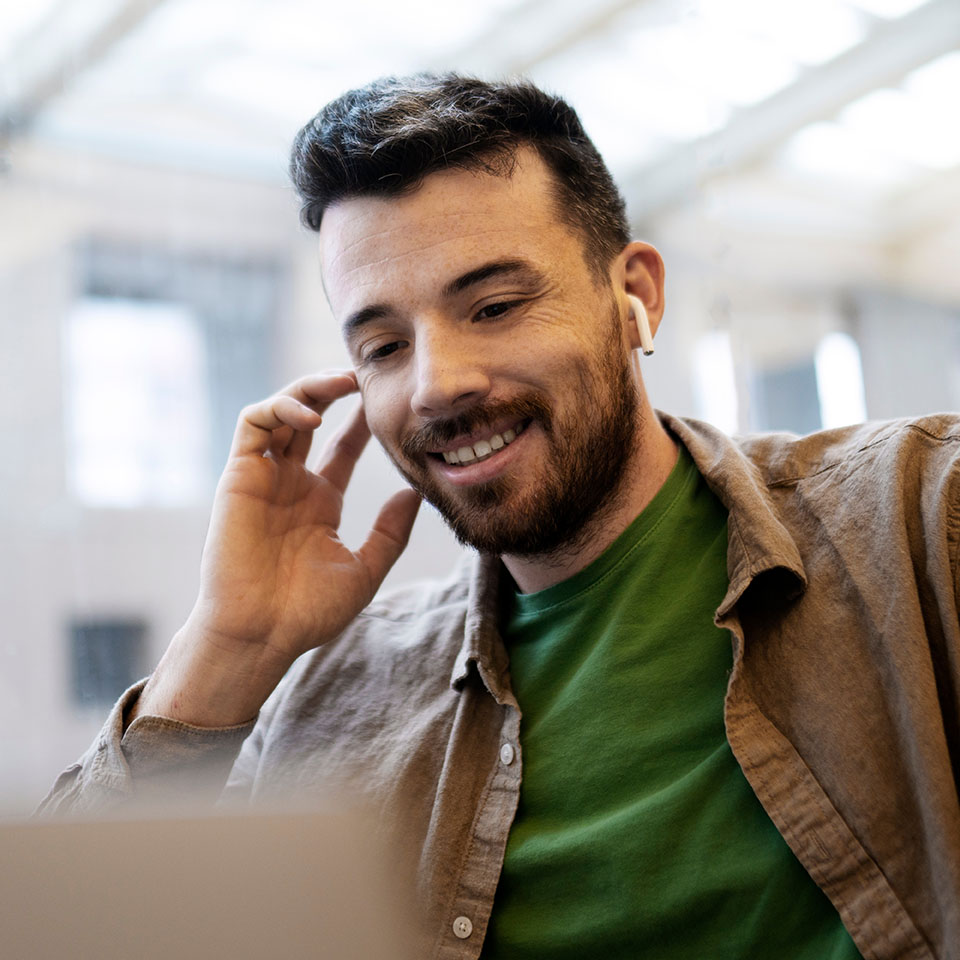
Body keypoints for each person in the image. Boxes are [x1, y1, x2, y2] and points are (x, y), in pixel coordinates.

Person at [42, 75, 959, 960]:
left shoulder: (920, 516)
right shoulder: (327, 703)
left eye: (494, 306)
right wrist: (228, 648)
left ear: (634, 293)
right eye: (385, 346)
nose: (438, 384)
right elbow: (61, 931)